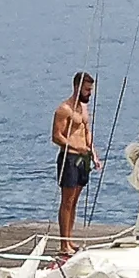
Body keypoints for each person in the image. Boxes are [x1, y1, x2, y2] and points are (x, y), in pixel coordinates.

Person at [52, 71, 101, 257]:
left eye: (91, 90)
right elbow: (56, 136)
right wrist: (75, 147)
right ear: (77, 87)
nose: (89, 93)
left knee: (75, 203)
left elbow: (87, 131)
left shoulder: (84, 108)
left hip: (84, 158)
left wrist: (94, 154)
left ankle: (69, 239)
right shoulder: (64, 109)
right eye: (87, 90)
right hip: (70, 158)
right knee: (67, 201)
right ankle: (63, 243)